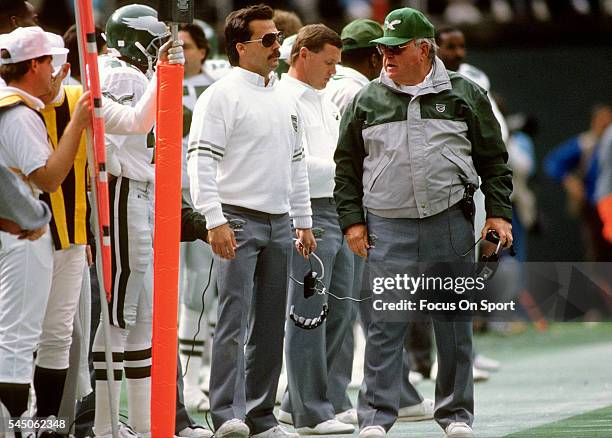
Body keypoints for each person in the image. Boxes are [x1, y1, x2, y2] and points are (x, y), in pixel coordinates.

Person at [334, 7, 513, 438]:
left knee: (453, 327)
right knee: (384, 324)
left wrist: (499, 213)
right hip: (386, 224)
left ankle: (456, 415)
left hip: (449, 221)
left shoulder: (466, 93)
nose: (387, 56)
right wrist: (352, 223)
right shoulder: (365, 99)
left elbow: (494, 160)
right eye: (383, 49)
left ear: (423, 48)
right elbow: (346, 166)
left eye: (396, 49)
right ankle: (376, 418)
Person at [187, 4, 316, 438]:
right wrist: (214, 218)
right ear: (242, 48)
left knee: (269, 323)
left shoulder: (286, 96)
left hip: (281, 220)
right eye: (268, 39)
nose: (277, 45)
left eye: (278, 37)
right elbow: (200, 161)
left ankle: (261, 417)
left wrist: (304, 219)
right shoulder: (221, 95)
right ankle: (227, 414)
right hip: (237, 219)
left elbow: (296, 163)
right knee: (232, 321)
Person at [0, 25, 91, 437]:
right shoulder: (18, 113)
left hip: (27, 232)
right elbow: (50, 177)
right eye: (50, 64)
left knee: (47, 335)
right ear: (34, 64)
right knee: (18, 339)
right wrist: (77, 123)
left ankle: (45, 425)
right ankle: (15, 429)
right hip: (21, 236)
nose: (56, 73)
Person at [275, 24, 355, 436]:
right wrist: (349, 171)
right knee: (309, 312)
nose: (333, 70)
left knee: (342, 308)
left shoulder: (325, 99)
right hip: (307, 212)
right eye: (328, 62)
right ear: (302, 54)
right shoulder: (283, 98)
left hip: (339, 209)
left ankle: (313, 400)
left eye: (337, 63)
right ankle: (311, 411)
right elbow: (294, 167)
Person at [177, 21, 228, 414]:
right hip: (164, 197)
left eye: (187, 46)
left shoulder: (217, 89)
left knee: (205, 290)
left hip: (207, 198)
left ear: (202, 49)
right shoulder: (153, 85)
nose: (180, 53)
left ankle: (205, 378)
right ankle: (187, 380)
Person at [544, 104, 612, 261]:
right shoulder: (587, 144)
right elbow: (553, 162)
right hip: (593, 205)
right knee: (597, 250)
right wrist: (569, 181)